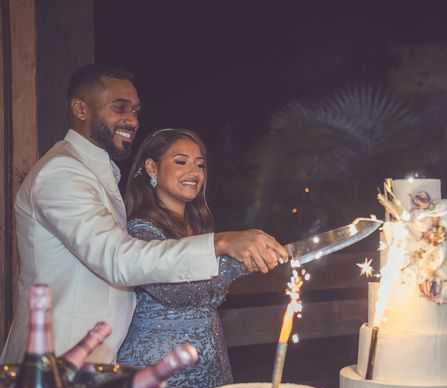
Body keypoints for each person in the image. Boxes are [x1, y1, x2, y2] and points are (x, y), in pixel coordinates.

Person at [0, 64, 288, 364]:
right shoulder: (61, 172)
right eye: (119, 108)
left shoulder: (97, 172)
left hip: (92, 362)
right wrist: (222, 243)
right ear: (80, 108)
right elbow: (118, 259)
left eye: (135, 111)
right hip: (54, 364)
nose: (131, 120)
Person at [117, 128, 245, 388]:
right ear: (152, 167)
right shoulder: (141, 230)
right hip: (161, 377)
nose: (194, 172)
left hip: (209, 368)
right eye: (181, 161)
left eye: (200, 164)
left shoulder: (198, 228)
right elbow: (172, 290)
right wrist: (241, 261)